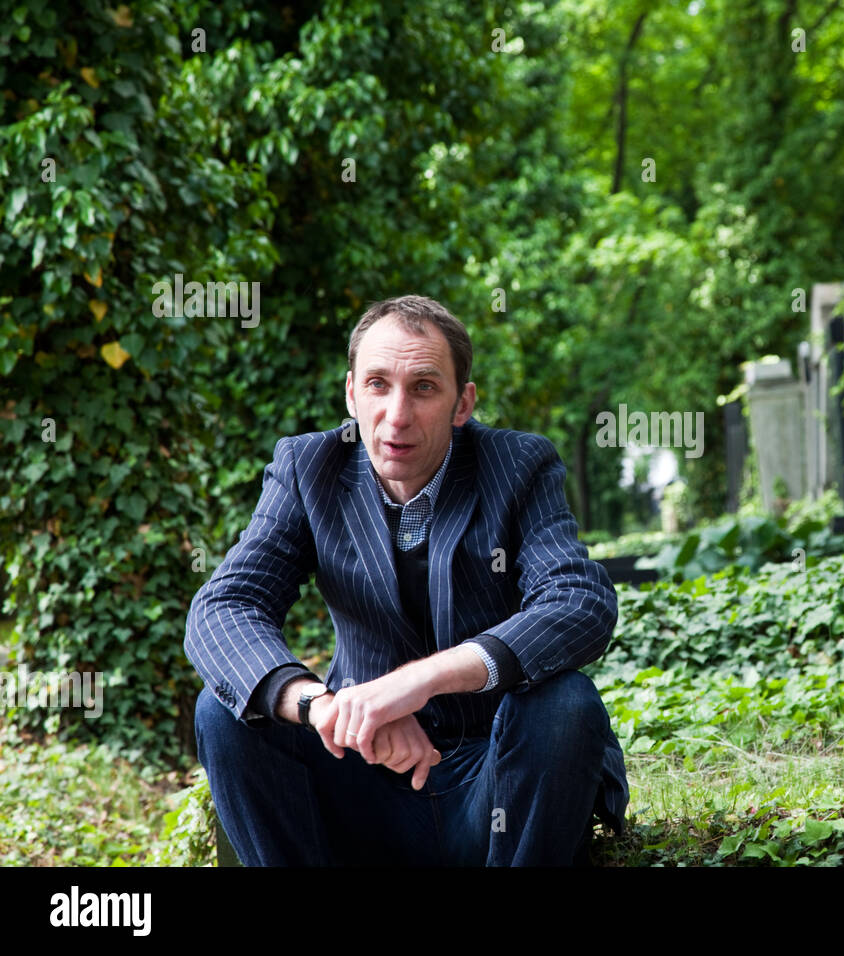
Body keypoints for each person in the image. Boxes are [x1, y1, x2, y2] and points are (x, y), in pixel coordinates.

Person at [185, 294, 628, 866]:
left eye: (423, 387)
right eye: (377, 384)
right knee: (224, 711)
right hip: (362, 788)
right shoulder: (307, 468)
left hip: (495, 782)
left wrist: (420, 683)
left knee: (564, 702)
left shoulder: (519, 466)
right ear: (351, 393)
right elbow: (226, 605)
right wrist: (329, 708)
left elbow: (579, 602)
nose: (396, 415)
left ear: (461, 402)